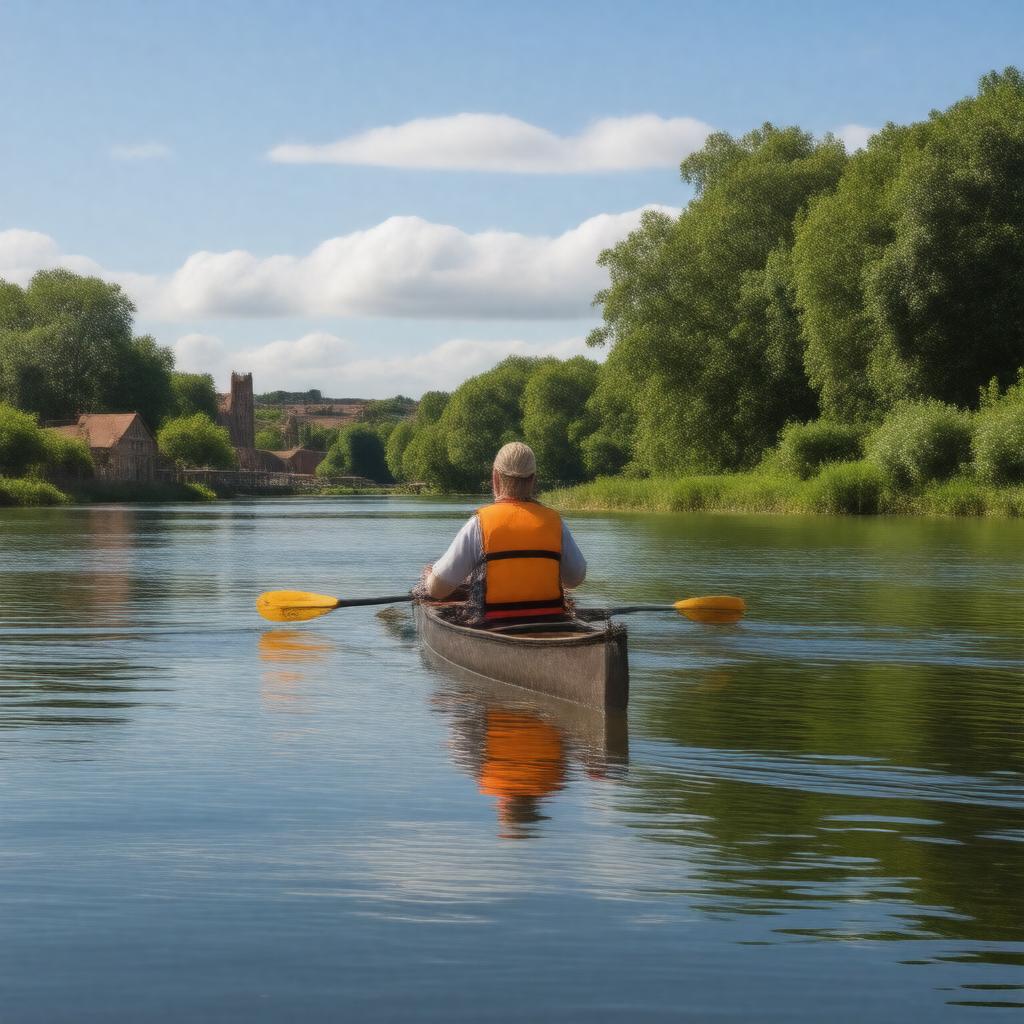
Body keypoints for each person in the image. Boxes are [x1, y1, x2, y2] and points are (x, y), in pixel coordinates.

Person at [424, 441, 586, 623]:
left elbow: (438, 591)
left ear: (495, 477)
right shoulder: (555, 522)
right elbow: (575, 579)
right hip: (550, 621)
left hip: (493, 624)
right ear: (533, 480)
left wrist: (430, 578)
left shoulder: (479, 524)